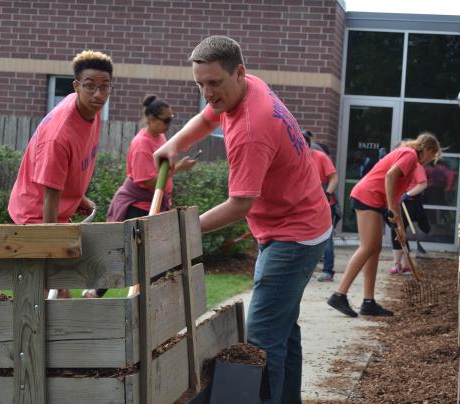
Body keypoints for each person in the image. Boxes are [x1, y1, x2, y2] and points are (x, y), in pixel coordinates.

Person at [153, 35, 331, 404]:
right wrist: (175, 144)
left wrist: (184, 227)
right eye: (200, 83)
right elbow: (208, 116)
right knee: (284, 329)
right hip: (303, 221)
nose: (207, 92)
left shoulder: (252, 130)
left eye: (214, 83)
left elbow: (239, 205)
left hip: (293, 235)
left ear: (239, 72)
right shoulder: (247, 88)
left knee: (262, 341)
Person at [8, 50, 113, 298]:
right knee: (46, 290)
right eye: (90, 87)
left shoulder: (90, 111)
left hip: (55, 206)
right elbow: (49, 195)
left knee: (60, 293)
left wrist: (78, 197)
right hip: (36, 214)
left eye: (105, 86)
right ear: (76, 86)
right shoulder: (59, 136)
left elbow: (70, 168)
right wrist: (50, 247)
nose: (98, 94)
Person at [83, 94, 196, 299]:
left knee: (152, 256)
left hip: (155, 204)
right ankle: (97, 292)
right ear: (151, 119)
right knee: (129, 254)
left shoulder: (160, 138)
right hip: (139, 204)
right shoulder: (141, 144)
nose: (169, 125)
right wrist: (179, 169)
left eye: (172, 118)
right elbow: (146, 181)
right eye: (166, 120)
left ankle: (145, 295)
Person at [327, 132, 441, 318]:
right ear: (428, 149)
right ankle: (339, 295)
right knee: (368, 247)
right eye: (433, 155)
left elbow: (396, 195)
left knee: (375, 248)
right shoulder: (410, 155)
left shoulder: (411, 162)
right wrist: (392, 211)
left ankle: (368, 302)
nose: (431, 160)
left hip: (376, 199)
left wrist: (401, 229)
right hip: (368, 195)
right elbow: (389, 177)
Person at [302, 131, 339, 282]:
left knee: (327, 237)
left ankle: (328, 271)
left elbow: (334, 177)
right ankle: (303, 270)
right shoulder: (295, 157)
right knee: (303, 237)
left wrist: (328, 192)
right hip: (304, 204)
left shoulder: (320, 157)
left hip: (324, 203)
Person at [389, 162, 427, 275]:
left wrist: (407, 194)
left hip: (410, 202)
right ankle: (405, 265)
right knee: (399, 231)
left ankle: (397, 264)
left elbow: (423, 184)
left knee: (396, 230)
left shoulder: (416, 166)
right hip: (400, 200)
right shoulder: (401, 165)